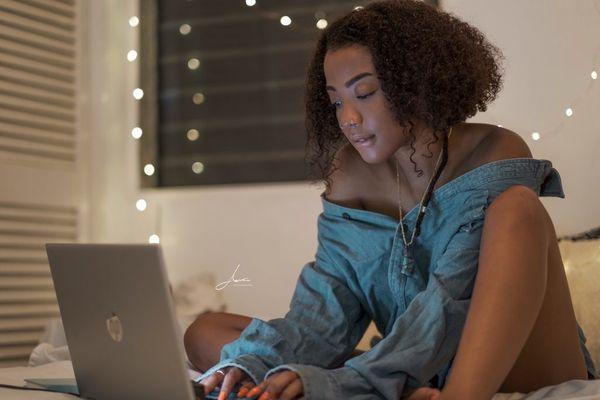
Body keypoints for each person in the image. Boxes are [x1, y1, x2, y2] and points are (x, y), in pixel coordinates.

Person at [184, 1, 598, 399]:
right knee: (208, 336)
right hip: (422, 368)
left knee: (519, 209)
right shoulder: (349, 172)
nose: (348, 118)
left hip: (519, 367)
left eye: (363, 93)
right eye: (336, 101)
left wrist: (348, 383)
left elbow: (448, 303)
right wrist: (264, 368)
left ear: (416, 83)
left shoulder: (496, 150)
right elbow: (327, 308)